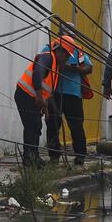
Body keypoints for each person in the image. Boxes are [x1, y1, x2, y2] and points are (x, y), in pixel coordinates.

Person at [15, 36, 76, 167]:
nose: (67, 59)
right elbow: (37, 74)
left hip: (33, 97)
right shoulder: (47, 58)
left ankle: (32, 157)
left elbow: (47, 92)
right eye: (66, 56)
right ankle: (30, 159)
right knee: (33, 126)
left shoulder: (55, 67)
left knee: (35, 126)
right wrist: (38, 97)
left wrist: (45, 107)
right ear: (59, 50)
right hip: (25, 94)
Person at [45, 23, 92, 166]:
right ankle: (54, 156)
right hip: (54, 93)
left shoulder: (78, 51)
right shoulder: (49, 48)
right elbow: (43, 63)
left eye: (71, 37)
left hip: (73, 94)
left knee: (76, 125)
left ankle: (80, 156)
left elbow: (88, 68)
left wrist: (73, 69)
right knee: (53, 125)